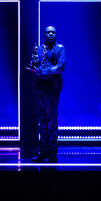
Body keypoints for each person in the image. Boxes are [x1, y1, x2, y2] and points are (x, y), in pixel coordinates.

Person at [26, 25, 65, 163]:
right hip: (40, 86)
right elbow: (35, 64)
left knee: (52, 120)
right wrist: (33, 67)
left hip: (52, 86)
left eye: (53, 32)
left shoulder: (60, 48)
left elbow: (61, 67)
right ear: (44, 34)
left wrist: (43, 71)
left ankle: (52, 152)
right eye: (48, 32)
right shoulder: (40, 48)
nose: (51, 34)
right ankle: (42, 151)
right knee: (41, 120)